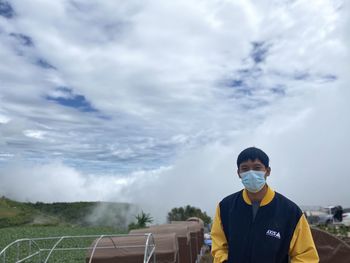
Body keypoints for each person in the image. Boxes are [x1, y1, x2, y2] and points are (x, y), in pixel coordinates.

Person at [211, 147, 319, 263]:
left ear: (267, 171)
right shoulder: (225, 207)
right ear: (238, 173)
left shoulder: (291, 212)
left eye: (257, 168)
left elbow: (305, 255)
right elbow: (219, 247)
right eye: (245, 169)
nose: (251, 173)